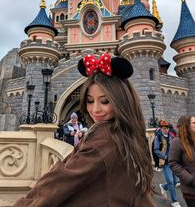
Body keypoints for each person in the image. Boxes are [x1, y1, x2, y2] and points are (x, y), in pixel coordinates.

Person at [12, 53, 155, 207]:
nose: (95, 109)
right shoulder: (127, 133)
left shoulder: (104, 138)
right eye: (89, 101)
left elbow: (60, 181)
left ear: (120, 100)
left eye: (105, 101)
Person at [154, 120, 181, 207]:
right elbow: (156, 150)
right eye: (164, 128)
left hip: (174, 162)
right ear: (161, 128)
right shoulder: (158, 137)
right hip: (166, 163)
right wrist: (165, 156)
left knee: (175, 181)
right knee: (170, 181)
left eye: (167, 128)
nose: (166, 130)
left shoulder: (171, 136)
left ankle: (163, 186)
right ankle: (174, 201)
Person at [169, 115, 195, 207]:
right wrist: (190, 179)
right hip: (190, 190)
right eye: (194, 123)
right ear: (187, 125)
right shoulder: (177, 142)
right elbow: (173, 163)